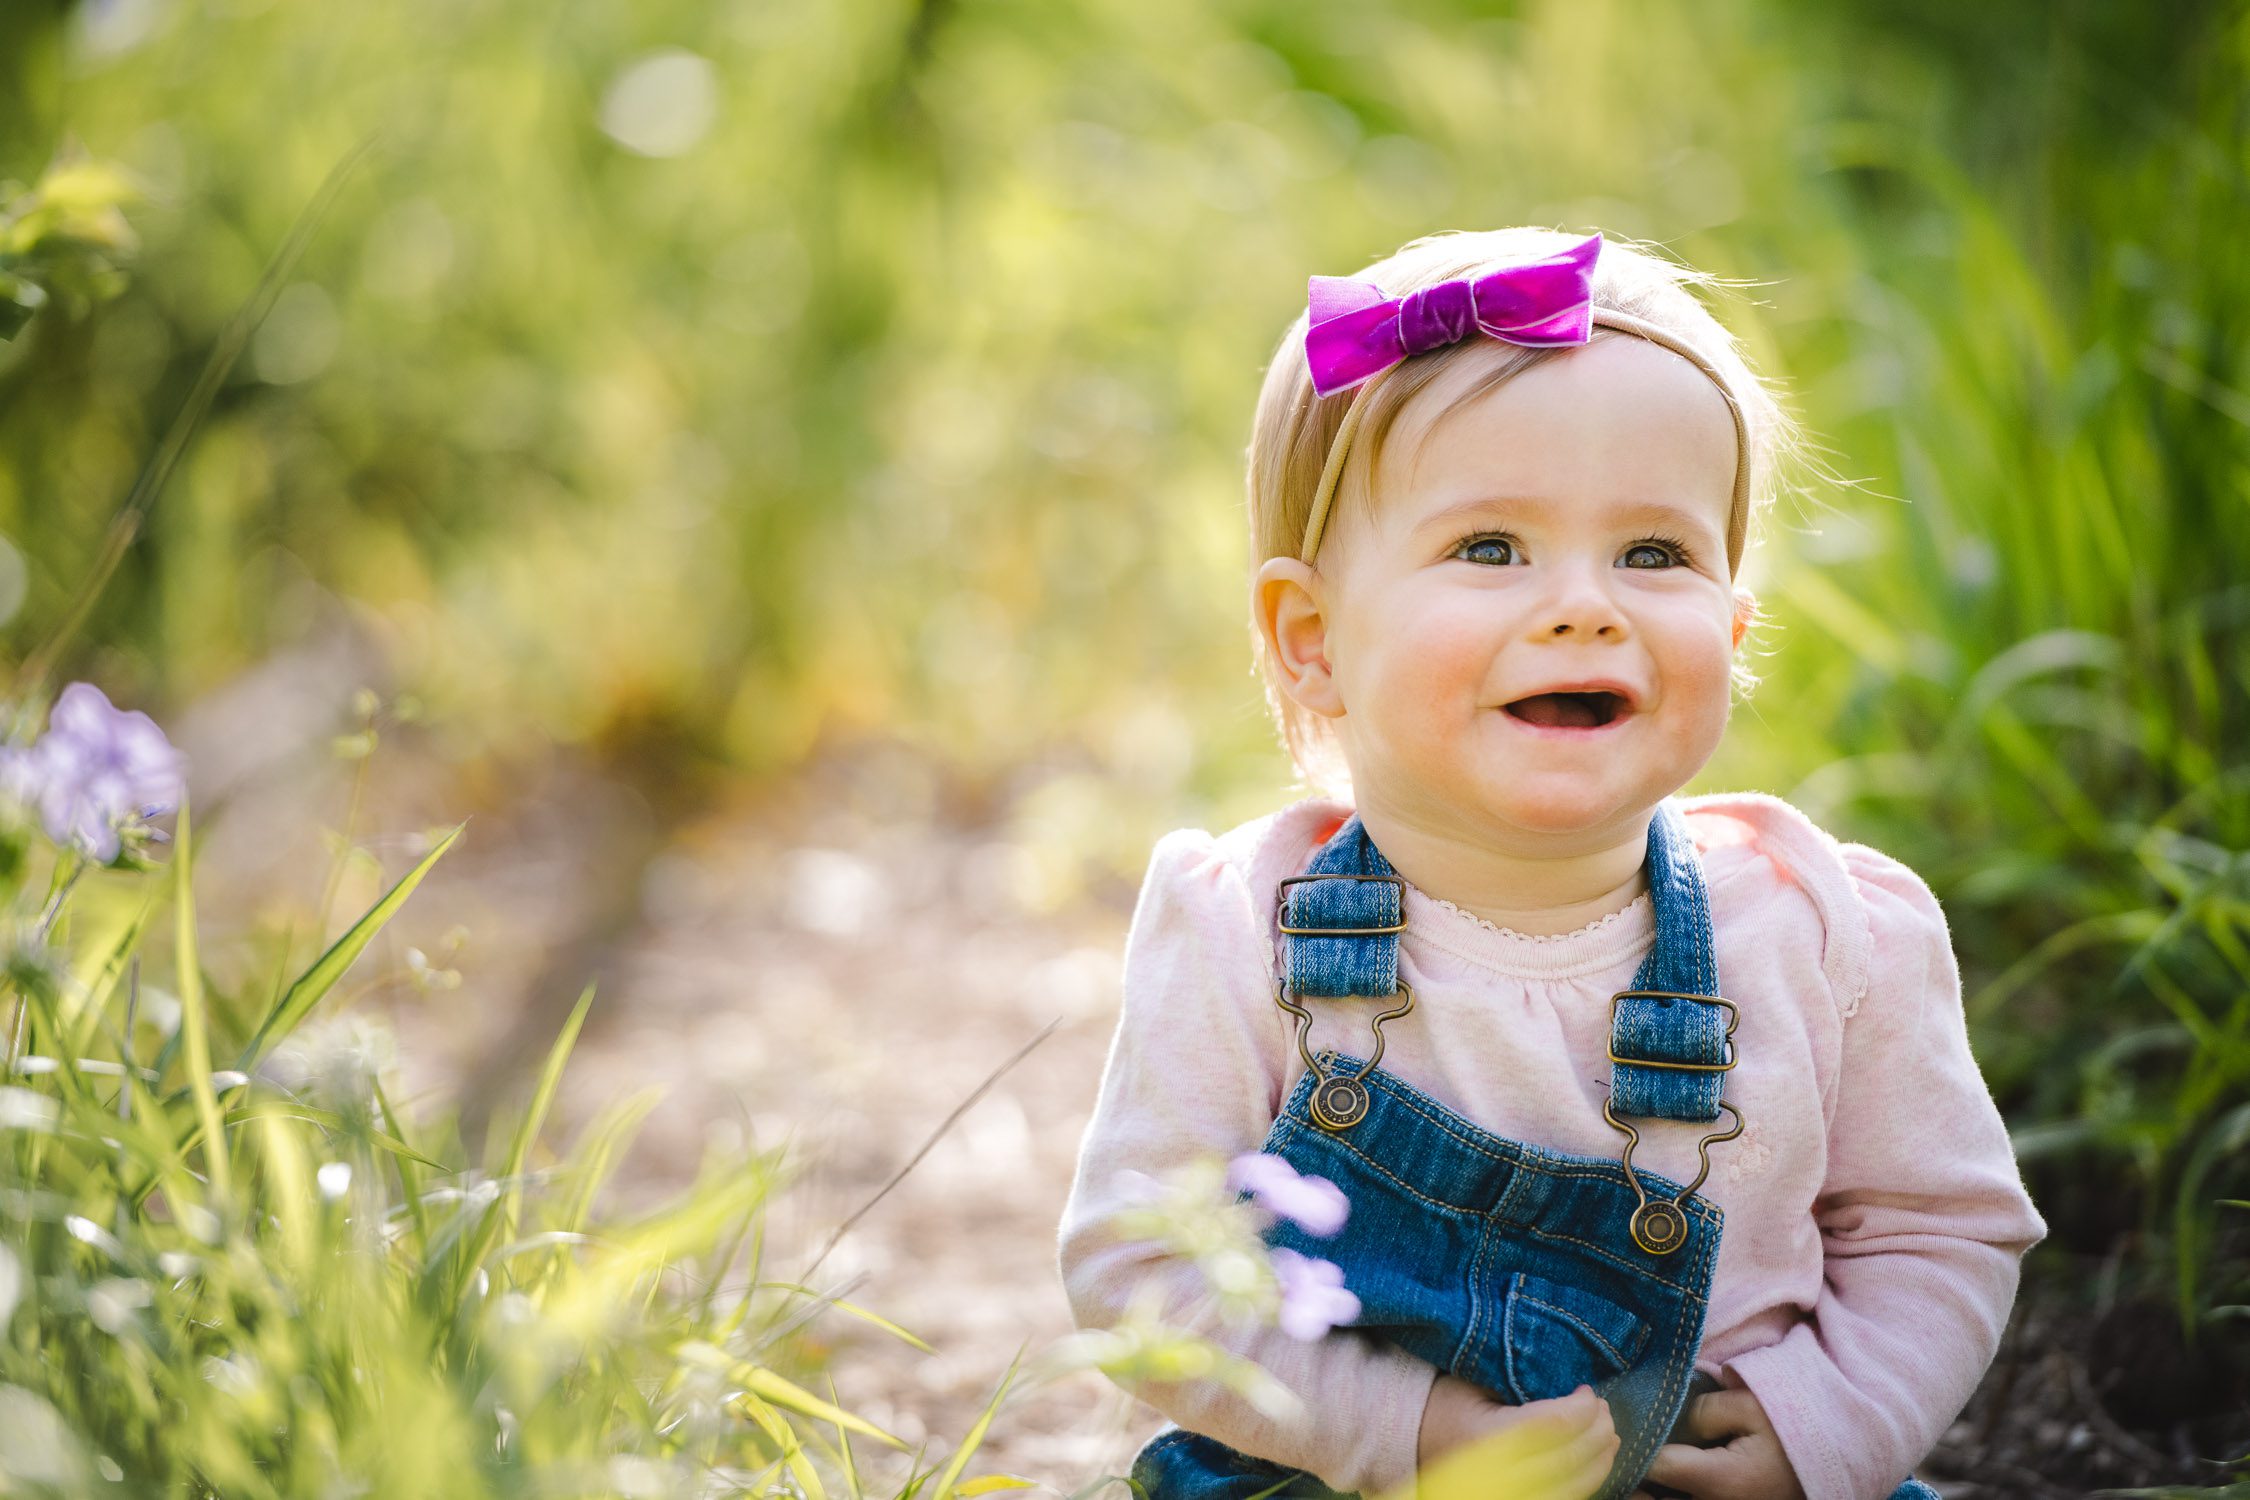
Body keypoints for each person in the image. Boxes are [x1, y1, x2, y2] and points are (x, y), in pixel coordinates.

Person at [1053, 227, 2047, 1500]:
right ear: (1312, 640)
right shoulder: (1245, 933)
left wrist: (1826, 1429)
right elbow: (1146, 1269)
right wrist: (1403, 1435)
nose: (1587, 605)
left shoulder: (1823, 933)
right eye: (1490, 549)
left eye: (1653, 555)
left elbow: (1938, 1230)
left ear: (1734, 630)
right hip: (1349, 1477)